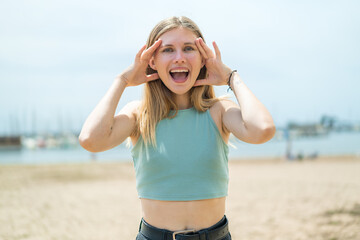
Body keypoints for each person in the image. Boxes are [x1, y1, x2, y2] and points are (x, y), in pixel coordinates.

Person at [79, 16, 275, 240]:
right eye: (168, 50)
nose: (179, 58)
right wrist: (123, 79)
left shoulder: (219, 111)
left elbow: (263, 130)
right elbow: (90, 140)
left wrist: (231, 77)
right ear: (152, 61)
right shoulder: (139, 115)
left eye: (189, 48)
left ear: (203, 59)